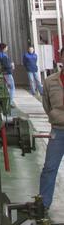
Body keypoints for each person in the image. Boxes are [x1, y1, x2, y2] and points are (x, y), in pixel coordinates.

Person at [39, 58, 64, 211]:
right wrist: (55, 116)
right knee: (49, 168)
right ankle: (43, 204)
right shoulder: (50, 82)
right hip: (58, 130)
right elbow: (46, 104)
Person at [0, 42, 16, 108]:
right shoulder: (4, 56)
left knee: (5, 88)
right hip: (7, 73)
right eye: (6, 47)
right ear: (4, 48)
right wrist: (11, 65)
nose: (7, 48)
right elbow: (6, 65)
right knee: (12, 87)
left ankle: (5, 101)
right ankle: (10, 102)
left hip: (1, 73)